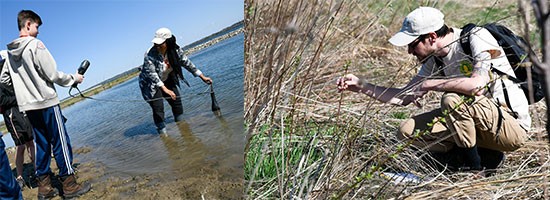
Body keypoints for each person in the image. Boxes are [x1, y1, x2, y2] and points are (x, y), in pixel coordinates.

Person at [337, 7, 529, 173]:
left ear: (432, 37)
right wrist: (362, 86)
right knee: (406, 132)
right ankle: (485, 156)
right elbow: (404, 97)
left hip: (510, 125)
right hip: (476, 123)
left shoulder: (475, 37)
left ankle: (474, 169)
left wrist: (431, 84)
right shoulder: (435, 60)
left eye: (412, 45)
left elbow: (477, 85)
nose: (409, 52)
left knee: (452, 100)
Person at [4, 10, 91, 199]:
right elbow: (53, 75)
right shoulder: (36, 45)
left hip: (29, 107)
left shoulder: (9, 53)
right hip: (47, 103)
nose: (38, 31)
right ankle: (69, 185)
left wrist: (23, 88)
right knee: (60, 142)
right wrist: (74, 78)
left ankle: (44, 188)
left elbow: (4, 78)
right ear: (27, 24)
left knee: (41, 144)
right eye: (36, 26)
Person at [139, 27, 213, 134]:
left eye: (160, 44)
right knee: (158, 108)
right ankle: (163, 133)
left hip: (167, 78)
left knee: (176, 101)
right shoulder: (150, 54)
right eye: (156, 44)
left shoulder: (176, 51)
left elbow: (187, 63)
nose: (157, 46)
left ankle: (183, 128)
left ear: (168, 42)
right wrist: (165, 89)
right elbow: (152, 74)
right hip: (150, 83)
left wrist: (202, 77)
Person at [0, 50, 36, 191]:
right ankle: (20, 176)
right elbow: (2, 100)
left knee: (31, 142)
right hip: (11, 115)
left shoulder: (10, 71)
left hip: (22, 111)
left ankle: (38, 170)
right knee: (20, 146)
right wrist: (19, 97)